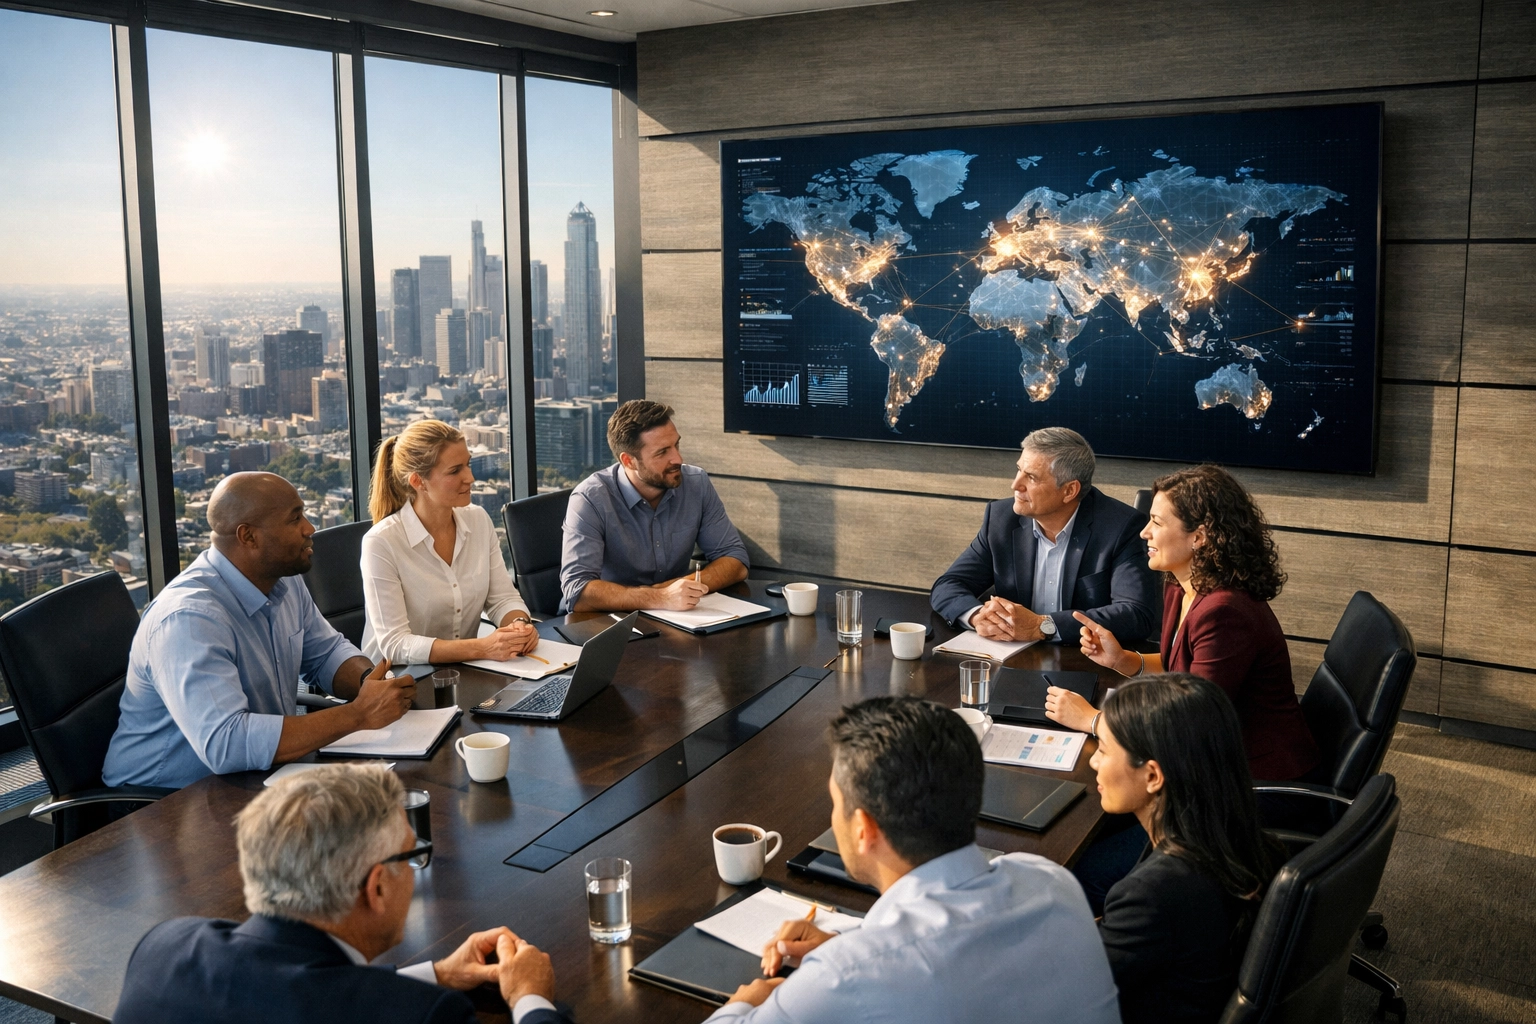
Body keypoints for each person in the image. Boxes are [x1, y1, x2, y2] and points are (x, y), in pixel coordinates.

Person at [705, 697, 1119, 1024]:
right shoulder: (1052, 883)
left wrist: (747, 1004)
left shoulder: (844, 976)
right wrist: (846, 947)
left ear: (864, 828)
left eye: (835, 803)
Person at [114, 764, 568, 1024]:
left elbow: (294, 989)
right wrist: (531, 998)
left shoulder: (163, 948)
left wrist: (438, 974)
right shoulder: (421, 1017)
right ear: (376, 887)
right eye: (410, 856)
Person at [103, 473, 414, 789]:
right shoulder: (189, 618)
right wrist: (357, 715)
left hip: (256, 775)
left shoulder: (283, 579)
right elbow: (227, 744)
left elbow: (326, 653)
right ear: (248, 537)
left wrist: (369, 684)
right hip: (163, 803)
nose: (310, 528)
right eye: (295, 519)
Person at [1047, 463, 1320, 783]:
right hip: (1207, 761)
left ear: (1199, 537)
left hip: (1251, 781)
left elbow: (1189, 724)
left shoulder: (1225, 613)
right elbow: (1184, 668)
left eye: (1157, 522)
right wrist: (1123, 660)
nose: (1143, 532)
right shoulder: (1181, 586)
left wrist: (1094, 721)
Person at [1090, 674, 1284, 1024]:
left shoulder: (1150, 893)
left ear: (1152, 776)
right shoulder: (1241, 838)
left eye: (1102, 750)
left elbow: (1072, 990)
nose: (1093, 763)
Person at [931, 426, 1161, 645]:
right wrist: (976, 615)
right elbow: (949, 584)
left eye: (1031, 477)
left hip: (1085, 662)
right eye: (1019, 470)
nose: (1015, 485)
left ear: (1069, 490)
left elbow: (1135, 614)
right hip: (1012, 657)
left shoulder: (1121, 527)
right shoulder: (1001, 519)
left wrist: (1043, 626)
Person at [361, 419, 537, 666]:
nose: (470, 478)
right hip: (398, 682)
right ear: (418, 481)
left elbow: (503, 599)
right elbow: (395, 644)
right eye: (455, 471)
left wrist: (520, 626)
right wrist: (483, 647)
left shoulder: (478, 520)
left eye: (468, 464)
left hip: (464, 672)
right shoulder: (381, 542)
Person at [559, 399, 749, 614]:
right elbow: (577, 592)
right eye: (662, 452)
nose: (678, 458)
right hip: (604, 624)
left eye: (676, 445)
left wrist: (672, 591)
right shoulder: (590, 499)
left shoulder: (696, 483)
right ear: (629, 461)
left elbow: (735, 559)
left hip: (673, 617)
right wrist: (660, 597)